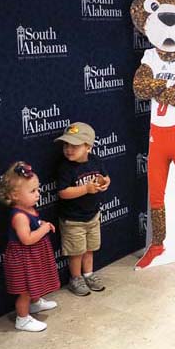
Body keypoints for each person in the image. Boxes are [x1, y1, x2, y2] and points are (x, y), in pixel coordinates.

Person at [0, 161, 61, 333]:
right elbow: (27, 239)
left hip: (33, 255)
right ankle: (22, 319)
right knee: (25, 290)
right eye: (32, 191)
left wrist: (42, 223)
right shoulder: (19, 216)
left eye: (37, 189)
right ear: (15, 195)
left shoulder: (30, 209)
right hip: (23, 258)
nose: (38, 194)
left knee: (35, 282)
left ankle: (35, 303)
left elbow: (35, 224)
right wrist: (44, 228)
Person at [55, 122, 110, 296]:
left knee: (89, 249)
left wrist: (105, 183)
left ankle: (88, 274)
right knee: (76, 252)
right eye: (66, 145)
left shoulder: (95, 161)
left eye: (74, 145)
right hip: (73, 219)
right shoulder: (65, 167)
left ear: (88, 147)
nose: (68, 149)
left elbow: (106, 177)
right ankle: (76, 278)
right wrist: (86, 189)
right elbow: (63, 192)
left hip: (93, 216)